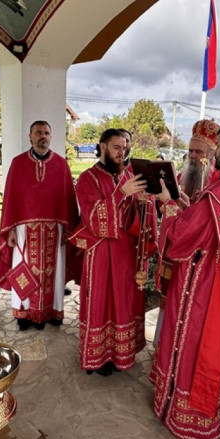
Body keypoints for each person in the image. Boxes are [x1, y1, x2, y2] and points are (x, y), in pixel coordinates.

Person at [151, 123, 220, 439]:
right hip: (219, 282)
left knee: (190, 344)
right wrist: (188, 208)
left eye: (218, 145)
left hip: (200, 283)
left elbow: (183, 237)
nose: (213, 154)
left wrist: (168, 204)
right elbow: (207, 228)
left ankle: (181, 410)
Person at [72, 129, 152, 376]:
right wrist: (121, 193)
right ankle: (99, 357)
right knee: (102, 302)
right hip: (101, 254)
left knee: (124, 301)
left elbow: (139, 214)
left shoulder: (129, 174)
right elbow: (93, 220)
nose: (122, 152)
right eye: (116, 147)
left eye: (125, 147)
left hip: (126, 251)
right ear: (103, 147)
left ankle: (122, 353)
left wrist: (141, 201)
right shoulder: (87, 178)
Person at [0, 121, 79, 331]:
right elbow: (12, 199)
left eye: (47, 133)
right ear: (30, 136)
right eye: (39, 133)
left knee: (55, 271)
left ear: (51, 136)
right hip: (24, 230)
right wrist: (11, 229)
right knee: (23, 269)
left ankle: (53, 312)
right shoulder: (18, 163)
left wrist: (68, 231)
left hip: (55, 230)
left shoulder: (61, 164)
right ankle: (23, 313)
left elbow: (68, 199)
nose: (43, 136)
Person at [178, 119, 220, 203]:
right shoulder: (180, 177)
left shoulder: (219, 179)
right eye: (190, 151)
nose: (193, 155)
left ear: (211, 154)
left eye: (198, 152)